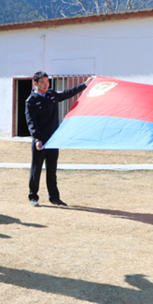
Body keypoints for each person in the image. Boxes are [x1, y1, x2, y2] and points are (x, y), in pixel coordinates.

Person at [25, 72, 91, 207]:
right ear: (35, 83)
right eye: (42, 82)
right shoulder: (30, 101)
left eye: (47, 82)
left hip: (54, 140)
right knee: (36, 170)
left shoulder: (52, 95)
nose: (45, 85)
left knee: (52, 171)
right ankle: (33, 197)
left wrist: (84, 85)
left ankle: (54, 198)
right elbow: (31, 122)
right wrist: (37, 139)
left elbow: (67, 93)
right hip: (40, 141)